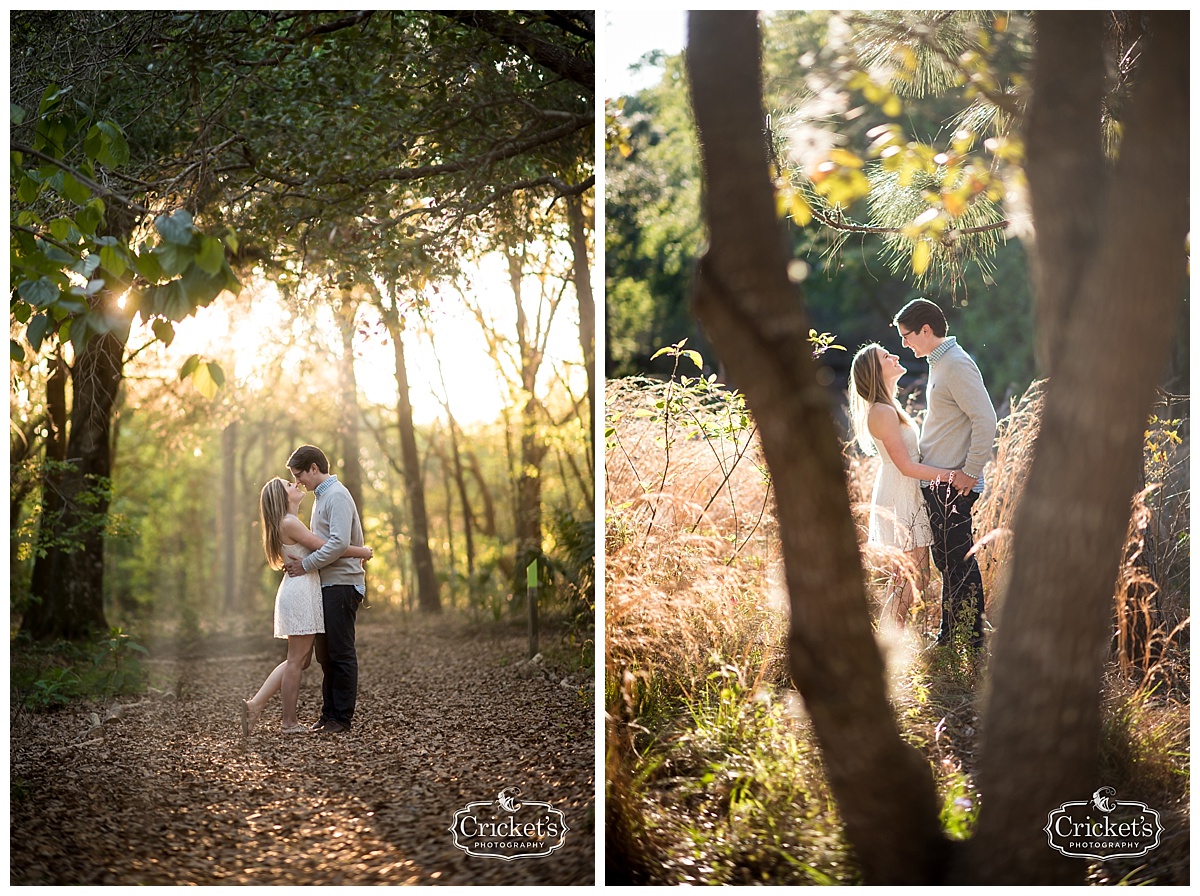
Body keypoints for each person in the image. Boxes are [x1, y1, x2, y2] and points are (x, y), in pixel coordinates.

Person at [894, 298, 998, 649]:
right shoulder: (941, 364)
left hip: (954, 484)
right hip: (941, 482)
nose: (904, 344)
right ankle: (957, 634)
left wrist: (970, 472)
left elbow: (986, 419)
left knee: (957, 560)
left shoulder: (955, 364)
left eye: (907, 336)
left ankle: (964, 638)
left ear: (926, 330)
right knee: (949, 560)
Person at [242, 477, 373, 735]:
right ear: (283, 497)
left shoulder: (287, 523)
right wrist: (361, 551)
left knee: (298, 661)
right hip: (301, 592)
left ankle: (255, 705)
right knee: (296, 660)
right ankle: (288, 723)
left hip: (300, 591)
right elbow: (327, 547)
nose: (295, 485)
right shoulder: (290, 522)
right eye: (288, 486)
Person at [849, 343, 956, 626]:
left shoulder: (889, 407)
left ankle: (886, 644)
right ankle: (889, 644)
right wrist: (951, 476)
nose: (895, 356)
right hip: (900, 494)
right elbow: (906, 466)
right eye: (886, 356)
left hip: (907, 490)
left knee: (910, 575)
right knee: (913, 576)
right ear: (875, 371)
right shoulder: (882, 412)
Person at [284, 444, 368, 733]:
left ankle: (341, 719)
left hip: (342, 584)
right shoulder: (322, 497)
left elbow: (338, 544)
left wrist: (305, 565)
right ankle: (328, 715)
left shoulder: (336, 496)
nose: (298, 482)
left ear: (314, 468)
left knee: (341, 653)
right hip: (327, 584)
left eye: (299, 475)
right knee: (326, 655)